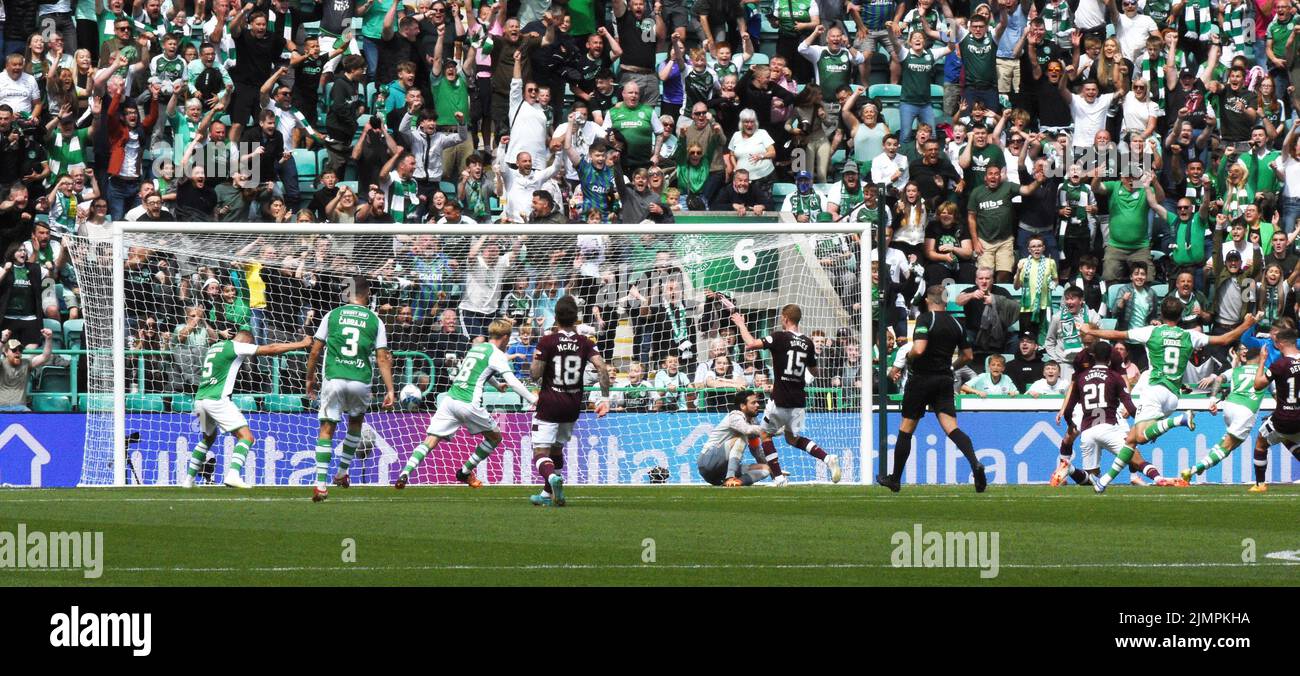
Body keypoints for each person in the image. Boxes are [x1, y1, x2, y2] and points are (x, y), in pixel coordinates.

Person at [1083, 297, 1257, 492]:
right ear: (1181, 315)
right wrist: (1247, 324)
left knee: (1138, 437)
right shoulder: (1189, 335)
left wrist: (1091, 331)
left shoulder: (1151, 331)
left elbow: (1116, 333)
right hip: (1173, 396)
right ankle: (1103, 482)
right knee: (1131, 439)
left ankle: (1180, 420)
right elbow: (1225, 339)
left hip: (1155, 390)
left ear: (1161, 314)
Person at [396, 317, 539, 488]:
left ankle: (405, 473)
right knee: (495, 437)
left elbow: (479, 370)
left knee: (431, 440)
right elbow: (514, 382)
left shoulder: (477, 348)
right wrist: (533, 399)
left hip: (450, 400)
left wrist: (496, 384)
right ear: (507, 337)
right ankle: (464, 472)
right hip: (469, 403)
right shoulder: (497, 354)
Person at [882, 284, 988, 492]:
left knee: (906, 429)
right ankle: (975, 462)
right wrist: (951, 366)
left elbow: (919, 349)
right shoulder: (956, 324)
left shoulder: (925, 319)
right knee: (952, 428)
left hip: (922, 379)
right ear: (946, 300)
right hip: (944, 380)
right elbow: (968, 356)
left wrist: (908, 358)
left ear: (928, 300)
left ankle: (895, 479)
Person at [304, 276, 396, 502]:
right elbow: (382, 358)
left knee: (327, 428)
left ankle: (320, 485)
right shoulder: (375, 320)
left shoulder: (332, 315)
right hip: (360, 380)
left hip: (334, 377)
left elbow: (315, 350)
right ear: (369, 294)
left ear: (347, 293)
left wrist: (309, 378)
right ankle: (343, 473)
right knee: (355, 423)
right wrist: (390, 389)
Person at [182, 327, 310, 488]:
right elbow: (272, 349)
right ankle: (233, 475)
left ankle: (188, 480)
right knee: (246, 437)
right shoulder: (236, 346)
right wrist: (302, 343)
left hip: (200, 400)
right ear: (247, 342)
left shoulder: (215, 346)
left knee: (208, 438)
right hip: (217, 400)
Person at [731, 303, 841, 485]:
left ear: (786, 318)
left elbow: (751, 344)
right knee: (792, 438)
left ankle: (779, 478)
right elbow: (814, 371)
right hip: (798, 401)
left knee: (765, 435)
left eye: (781, 317)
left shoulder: (779, 337)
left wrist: (741, 324)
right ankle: (828, 458)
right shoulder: (808, 342)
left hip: (780, 399)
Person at [528, 296, 611, 506]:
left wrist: (539, 360)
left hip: (549, 403)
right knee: (556, 449)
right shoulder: (585, 342)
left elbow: (535, 375)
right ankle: (548, 495)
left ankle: (552, 478)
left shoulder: (547, 340)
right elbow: (601, 368)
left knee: (540, 452)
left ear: (555, 317)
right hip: (572, 405)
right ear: (577, 318)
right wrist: (605, 399)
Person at [1182, 346, 1266, 484]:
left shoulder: (1235, 370)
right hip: (1246, 409)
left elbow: (1219, 379)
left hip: (1229, 407)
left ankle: (1205, 462)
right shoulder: (1266, 372)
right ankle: (1193, 470)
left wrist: (1213, 399)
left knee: (1228, 440)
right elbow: (1277, 393)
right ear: (1260, 357)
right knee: (1228, 446)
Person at [1059, 341, 1137, 486]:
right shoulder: (1115, 376)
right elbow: (1130, 406)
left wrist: (1070, 423)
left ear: (1093, 356)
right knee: (1134, 453)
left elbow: (1069, 407)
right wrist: (1141, 423)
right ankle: (1147, 477)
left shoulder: (1082, 377)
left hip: (1088, 429)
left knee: (1091, 478)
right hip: (1108, 423)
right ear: (1110, 357)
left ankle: (1070, 469)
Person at [1250, 327, 1300, 492]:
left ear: (1280, 344)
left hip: (1283, 419)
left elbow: (1258, 385)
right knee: (1288, 439)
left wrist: (1262, 361)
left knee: (1261, 442)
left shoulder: (1279, 364)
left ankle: (1260, 484)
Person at [696, 390, 771, 487]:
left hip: (721, 472)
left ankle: (737, 482)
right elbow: (746, 430)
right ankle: (730, 477)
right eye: (753, 403)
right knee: (741, 437)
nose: (757, 405)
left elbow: (756, 450)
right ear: (742, 406)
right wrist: (770, 430)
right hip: (708, 461)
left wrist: (775, 472)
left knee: (766, 469)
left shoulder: (753, 422)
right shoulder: (735, 416)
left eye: (757, 402)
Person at [0, 328, 54, 412]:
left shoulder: (26, 363)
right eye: (14, 350)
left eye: (20, 350)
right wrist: (3, 341)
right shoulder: (2, 364)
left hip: (20, 408)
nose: (18, 352)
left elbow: (45, 357)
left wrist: (48, 339)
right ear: (6, 352)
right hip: (1, 407)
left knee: (29, 415)